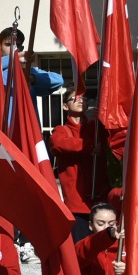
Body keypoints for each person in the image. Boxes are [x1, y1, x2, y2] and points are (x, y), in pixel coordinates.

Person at [48, 90, 111, 241]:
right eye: (74, 98)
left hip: (100, 196)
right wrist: (88, 146)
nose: (80, 100)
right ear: (64, 106)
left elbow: (108, 140)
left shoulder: (94, 127)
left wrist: (102, 120)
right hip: (76, 202)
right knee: (81, 246)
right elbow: (59, 144)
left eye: (83, 97)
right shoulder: (61, 130)